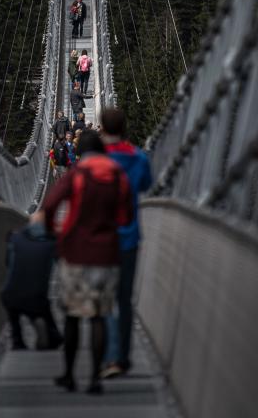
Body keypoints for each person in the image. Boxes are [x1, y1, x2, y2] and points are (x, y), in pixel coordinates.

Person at [40, 130, 133, 394]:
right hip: (106, 254)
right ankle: (94, 379)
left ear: (80, 151)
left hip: (76, 253)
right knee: (99, 316)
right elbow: (126, 216)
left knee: (72, 315)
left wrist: (52, 234)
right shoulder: (116, 174)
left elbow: (50, 206)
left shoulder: (76, 174)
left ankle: (69, 375)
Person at [99, 108, 153, 380]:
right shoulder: (138, 157)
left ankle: (111, 358)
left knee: (106, 299)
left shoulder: (96, 159)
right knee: (125, 299)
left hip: (102, 238)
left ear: (101, 126)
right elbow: (146, 184)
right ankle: (124, 356)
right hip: (130, 238)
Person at [1, 219, 63, 351]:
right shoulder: (53, 243)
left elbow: (8, 263)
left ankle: (18, 342)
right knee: (40, 306)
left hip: (9, 295)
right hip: (37, 297)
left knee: (13, 300)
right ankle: (50, 332)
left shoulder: (15, 238)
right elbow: (62, 266)